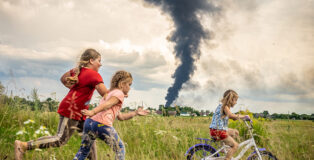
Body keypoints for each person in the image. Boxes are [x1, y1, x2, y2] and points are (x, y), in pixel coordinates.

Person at [14, 48, 108, 160]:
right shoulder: (94, 75)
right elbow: (106, 94)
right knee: (60, 139)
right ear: (91, 61)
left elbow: (63, 79)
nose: (100, 64)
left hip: (81, 113)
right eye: (99, 60)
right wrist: (119, 93)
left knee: (90, 138)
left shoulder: (78, 71)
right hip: (71, 110)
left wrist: (75, 89)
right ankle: (23, 146)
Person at [73, 70, 150, 160]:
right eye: (129, 84)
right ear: (122, 84)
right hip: (102, 125)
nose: (129, 88)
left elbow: (120, 117)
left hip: (89, 122)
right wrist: (92, 111)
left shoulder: (110, 93)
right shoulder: (119, 94)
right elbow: (108, 104)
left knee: (83, 151)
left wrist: (135, 113)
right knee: (120, 148)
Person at [209, 89, 250, 160]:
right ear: (230, 100)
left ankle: (224, 147)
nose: (236, 103)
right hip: (218, 131)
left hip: (218, 130)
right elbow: (230, 115)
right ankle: (227, 158)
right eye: (235, 100)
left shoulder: (224, 106)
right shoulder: (224, 106)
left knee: (235, 132)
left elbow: (232, 117)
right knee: (235, 146)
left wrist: (240, 118)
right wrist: (243, 116)